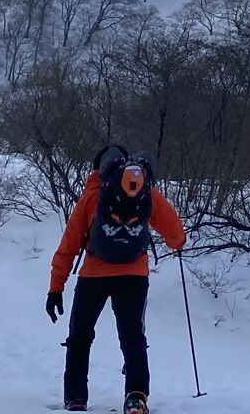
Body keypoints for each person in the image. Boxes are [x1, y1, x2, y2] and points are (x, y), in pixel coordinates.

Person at [46, 144, 186, 414]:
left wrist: (56, 288)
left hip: (93, 276)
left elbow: (68, 246)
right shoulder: (145, 192)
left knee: (80, 336)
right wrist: (177, 242)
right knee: (132, 336)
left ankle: (76, 398)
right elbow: (175, 233)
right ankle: (136, 397)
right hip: (134, 276)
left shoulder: (91, 197)